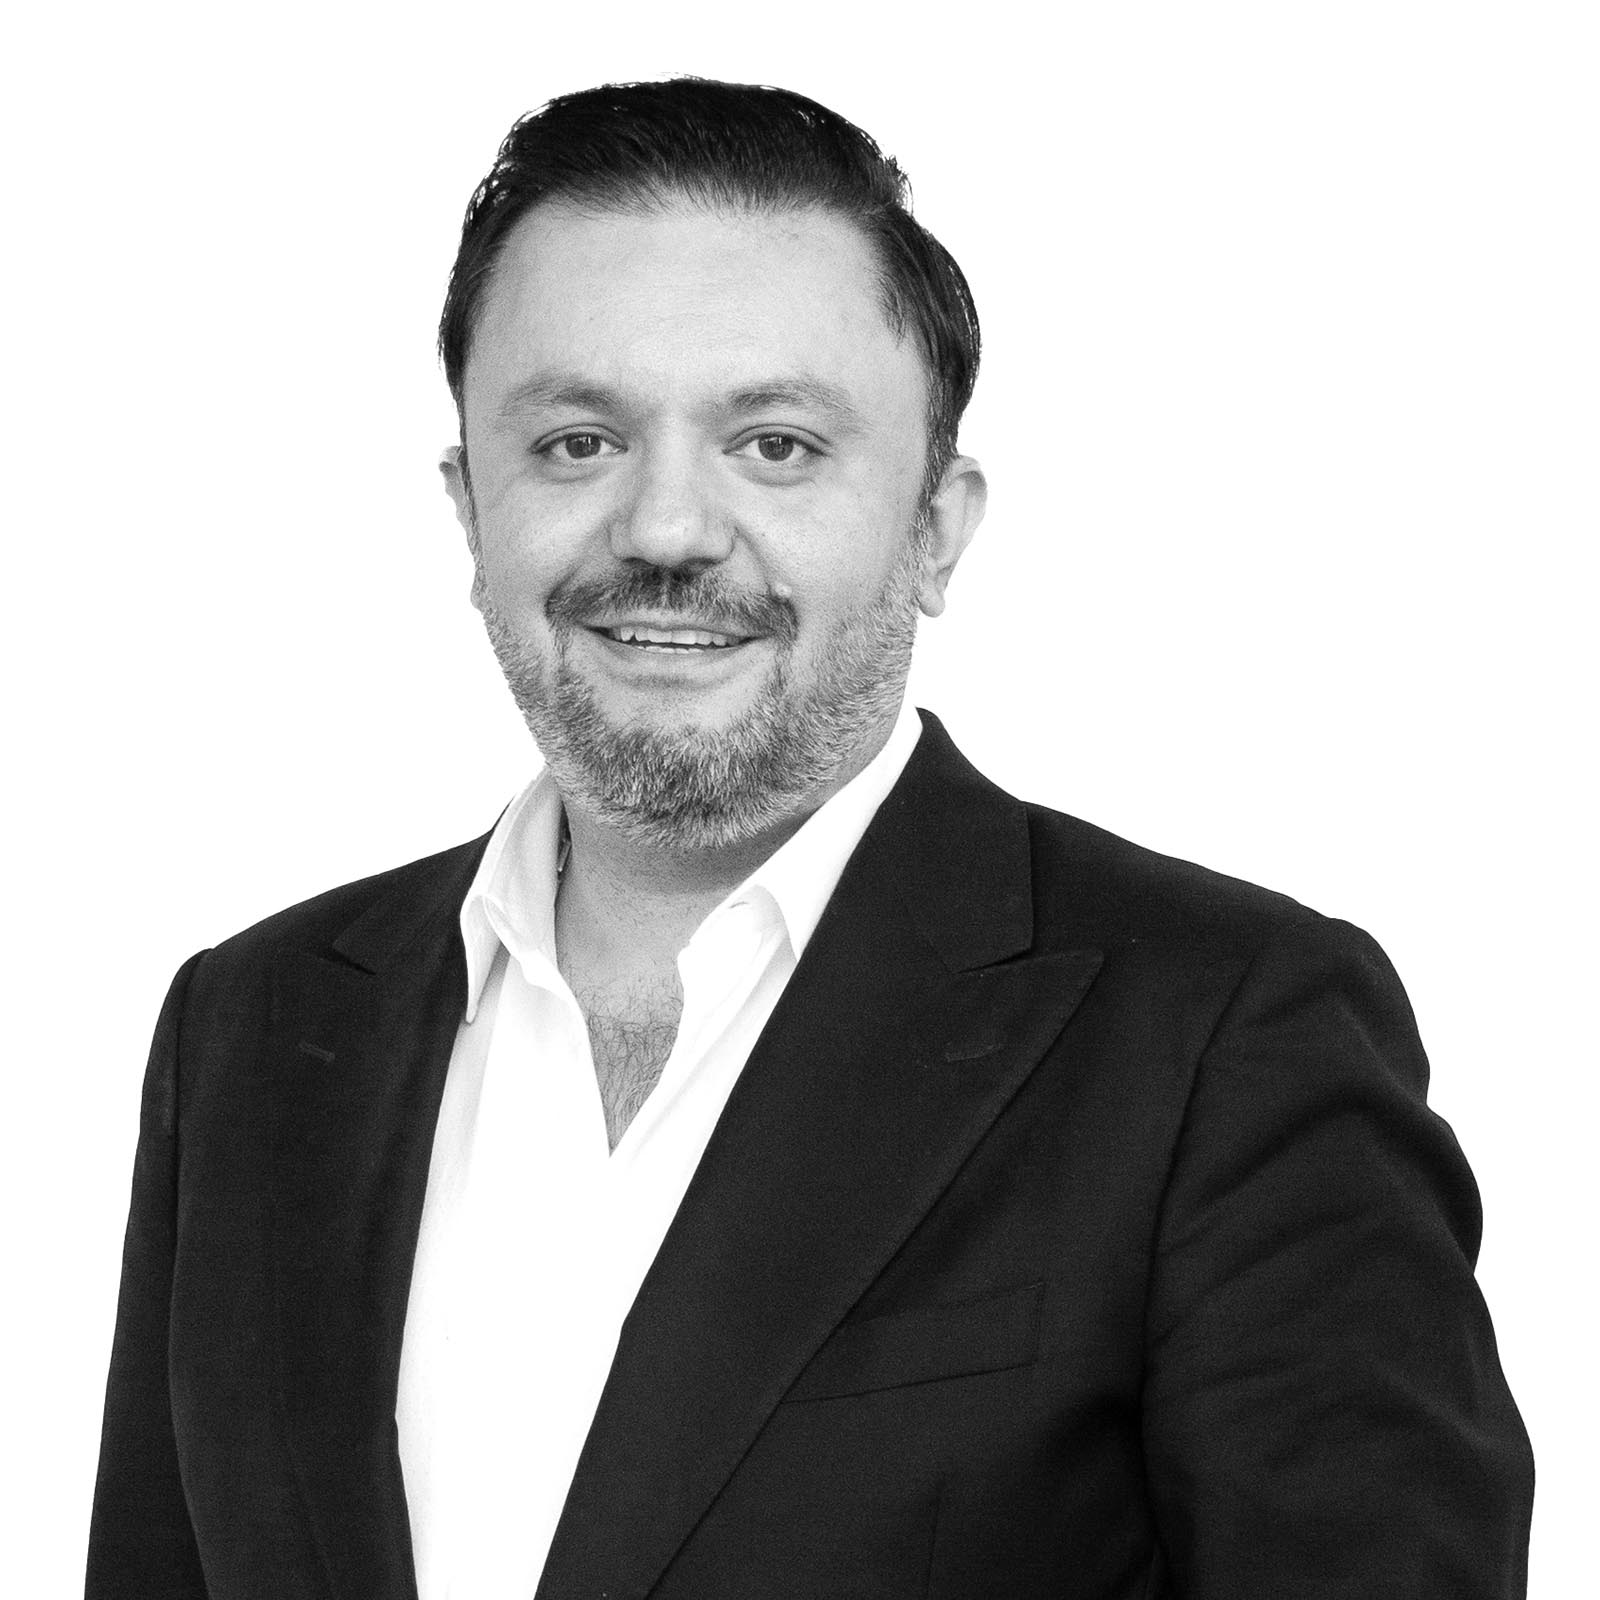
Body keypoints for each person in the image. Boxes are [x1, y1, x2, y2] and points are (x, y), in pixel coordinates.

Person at [86, 78, 1533, 1600]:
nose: (665, 529)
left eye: (775, 445)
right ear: (468, 507)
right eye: (576, 441)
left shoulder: (1225, 1037)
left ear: (936, 528)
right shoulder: (252, 1030)